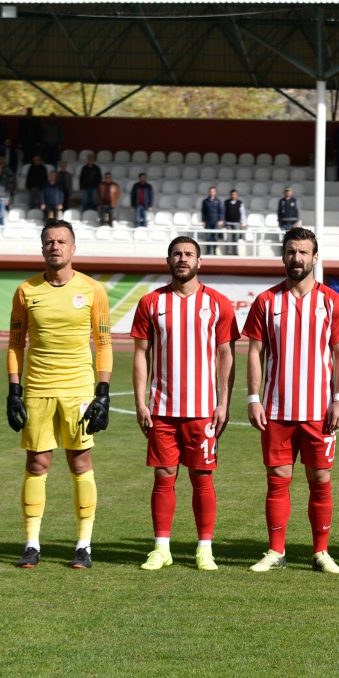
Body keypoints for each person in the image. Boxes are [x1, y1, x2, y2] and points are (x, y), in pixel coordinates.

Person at [242, 227, 339, 572]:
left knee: (320, 480)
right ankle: (276, 551)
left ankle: (321, 552)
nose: (297, 258)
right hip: (276, 410)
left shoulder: (331, 301)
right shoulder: (266, 301)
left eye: (303, 252)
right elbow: (255, 352)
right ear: (283, 256)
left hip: (320, 410)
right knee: (277, 479)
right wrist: (253, 398)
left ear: (315, 257)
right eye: (291, 251)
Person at [6, 220, 113, 569]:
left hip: (79, 390)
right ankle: (32, 543)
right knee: (37, 464)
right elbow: (14, 344)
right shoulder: (26, 290)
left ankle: (84, 545)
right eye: (49, 241)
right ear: (42, 248)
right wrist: (13, 390)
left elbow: (104, 343)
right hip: (37, 388)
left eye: (62, 241)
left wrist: (104, 392)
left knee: (80, 462)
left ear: (73, 248)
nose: (55, 246)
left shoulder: (93, 290)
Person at [131, 236, 239, 572]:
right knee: (163, 477)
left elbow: (226, 355)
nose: (183, 259)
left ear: (199, 261)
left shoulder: (218, 303)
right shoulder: (151, 302)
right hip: (162, 409)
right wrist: (141, 401)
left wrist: (223, 403)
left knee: (202, 477)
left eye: (189, 254)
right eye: (177, 254)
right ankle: (161, 548)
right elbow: (140, 355)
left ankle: (204, 548)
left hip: (203, 409)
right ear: (168, 260)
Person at [201, 186, 224, 254]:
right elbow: (203, 212)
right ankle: (208, 252)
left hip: (216, 221)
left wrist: (220, 220)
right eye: (211, 191)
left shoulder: (218, 201)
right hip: (208, 221)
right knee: (208, 237)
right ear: (209, 192)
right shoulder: (205, 201)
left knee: (215, 237)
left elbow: (220, 211)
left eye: (213, 191)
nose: (212, 193)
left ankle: (214, 251)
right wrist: (203, 220)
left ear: (215, 192)